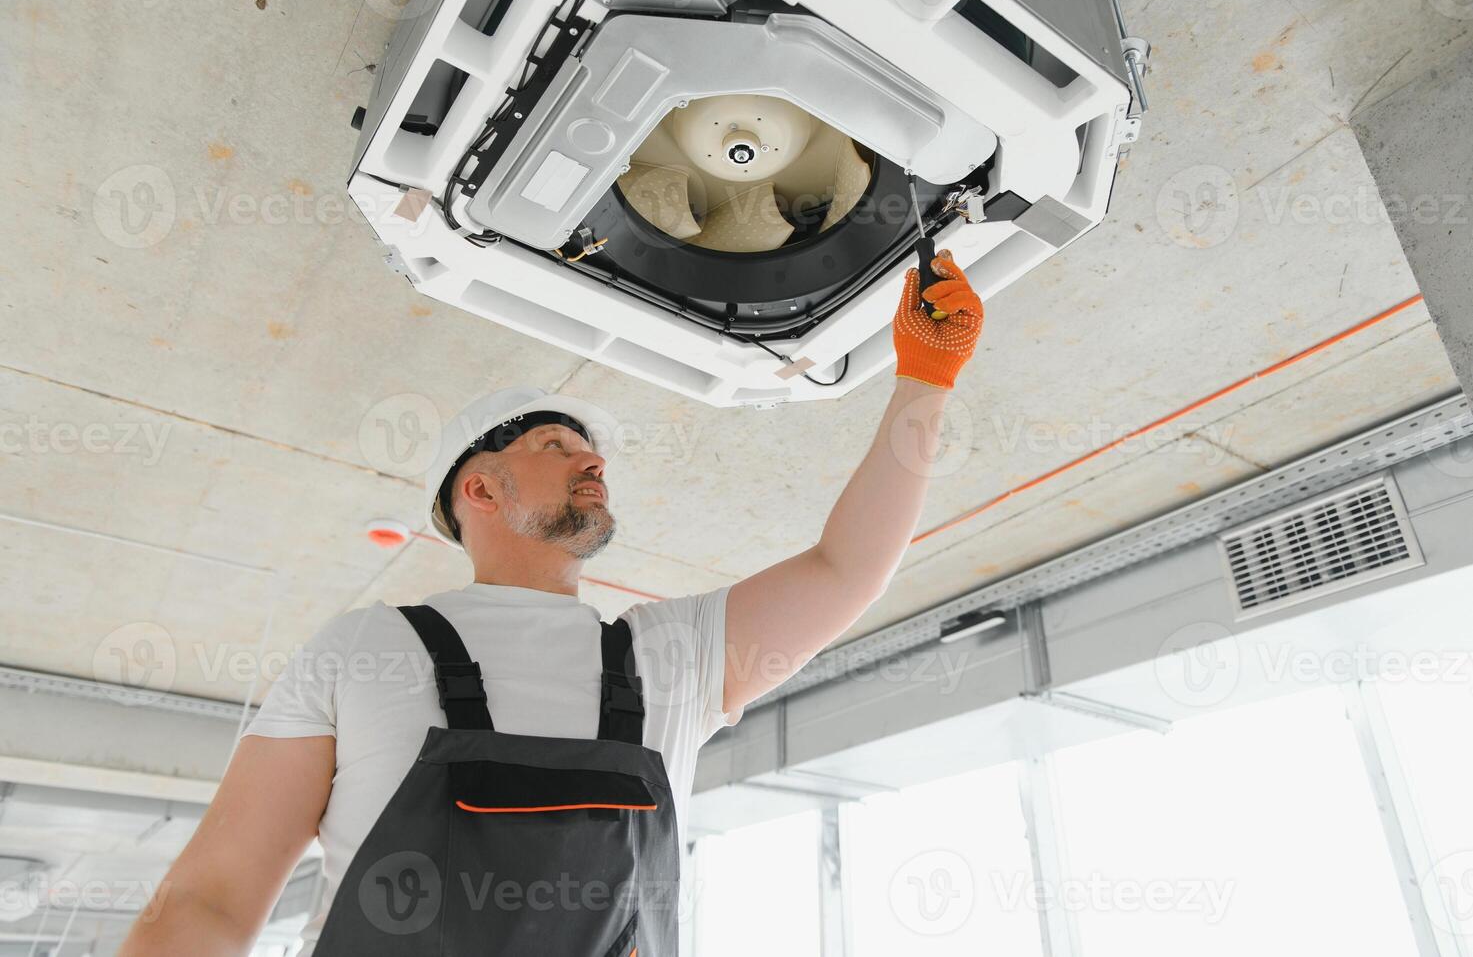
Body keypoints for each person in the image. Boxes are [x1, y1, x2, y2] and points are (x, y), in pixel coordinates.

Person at [118, 250, 983, 955]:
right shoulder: (363, 648)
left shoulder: (667, 655)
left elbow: (844, 569)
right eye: (555, 444)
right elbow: (211, 903)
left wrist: (925, 381)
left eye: (591, 453)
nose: (593, 462)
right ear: (480, 490)